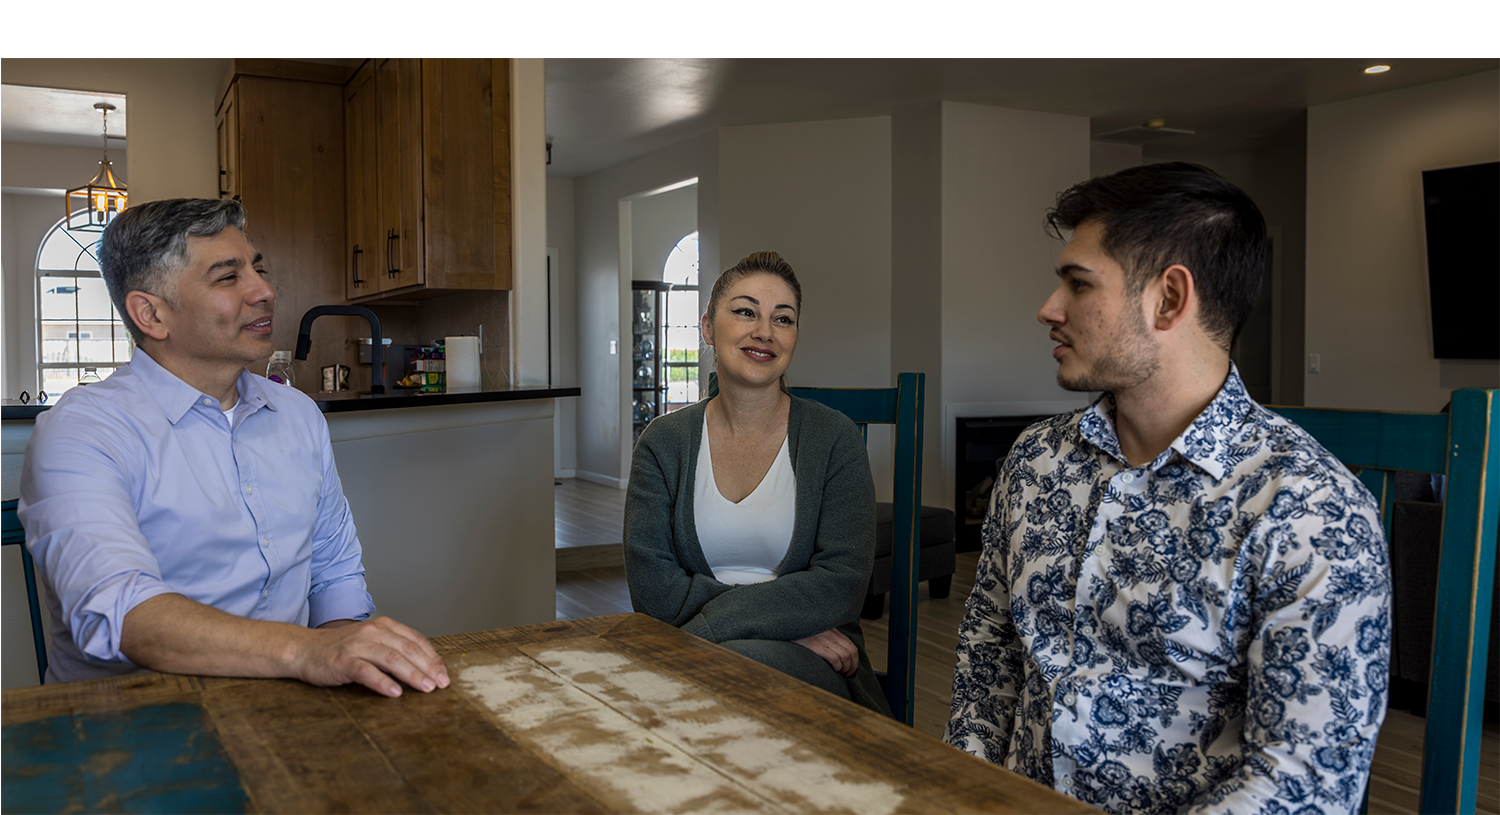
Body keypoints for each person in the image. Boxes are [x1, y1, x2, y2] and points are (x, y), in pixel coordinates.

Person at [943, 163, 1390, 814]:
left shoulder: (1309, 507)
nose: (1049, 308)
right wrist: (962, 793)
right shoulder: (1037, 458)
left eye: (1078, 283)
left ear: (1170, 299)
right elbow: (990, 651)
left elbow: (1303, 783)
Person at [19, 198, 448, 698]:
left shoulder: (297, 415)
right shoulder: (82, 431)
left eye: (257, 269)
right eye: (227, 277)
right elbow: (119, 611)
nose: (265, 291)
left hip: (288, 705)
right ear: (151, 314)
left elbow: (333, 572)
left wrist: (343, 651)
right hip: (131, 722)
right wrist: (307, 652)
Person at [623, 251, 891, 716]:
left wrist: (713, 629)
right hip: (767, 642)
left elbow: (842, 584)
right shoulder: (662, 443)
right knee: (717, 677)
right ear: (708, 327)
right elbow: (653, 590)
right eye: (746, 312)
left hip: (811, 666)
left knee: (717, 675)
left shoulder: (834, 439)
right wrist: (785, 624)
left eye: (782, 319)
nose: (765, 331)